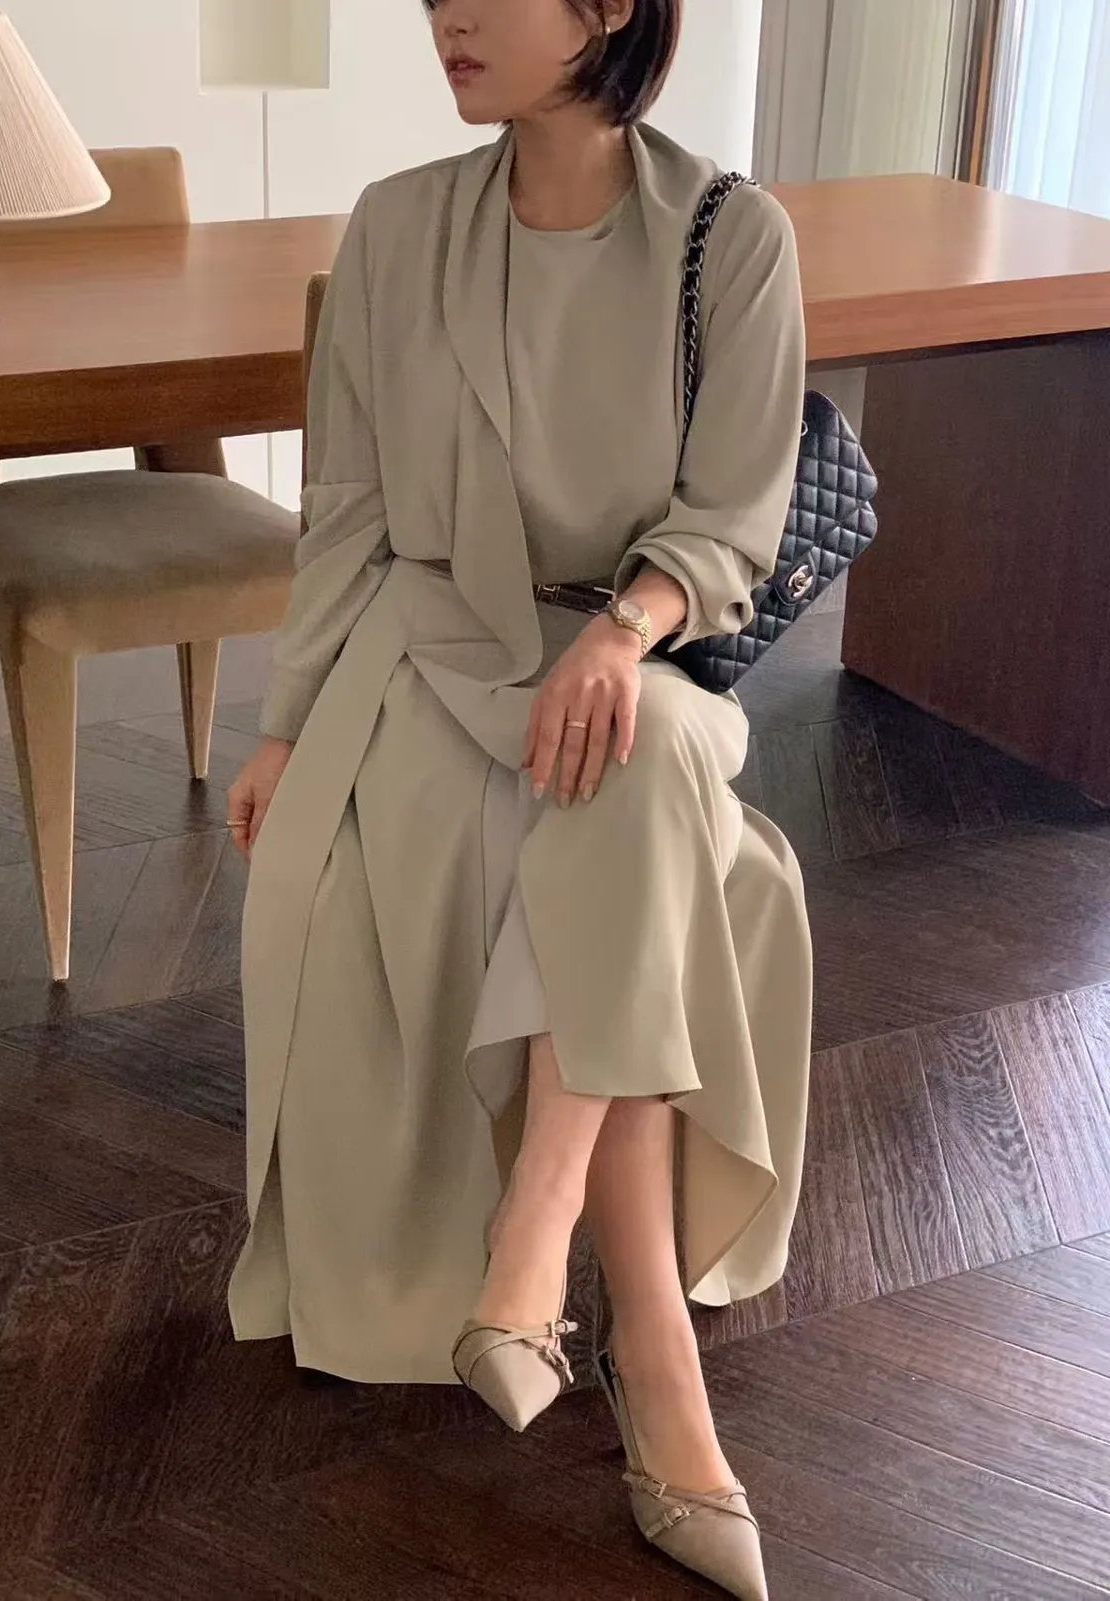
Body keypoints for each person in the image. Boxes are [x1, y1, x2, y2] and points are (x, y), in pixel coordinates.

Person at [226, 1, 811, 1594]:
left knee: (635, 756)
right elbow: (347, 507)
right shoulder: (398, 227)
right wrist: (285, 724)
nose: (450, 15)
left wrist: (623, 630)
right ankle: (651, 1371)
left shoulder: (732, 238)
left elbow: (736, 517)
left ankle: (541, 1245)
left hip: (633, 653)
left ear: (612, 6)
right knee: (618, 832)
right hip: (429, 655)